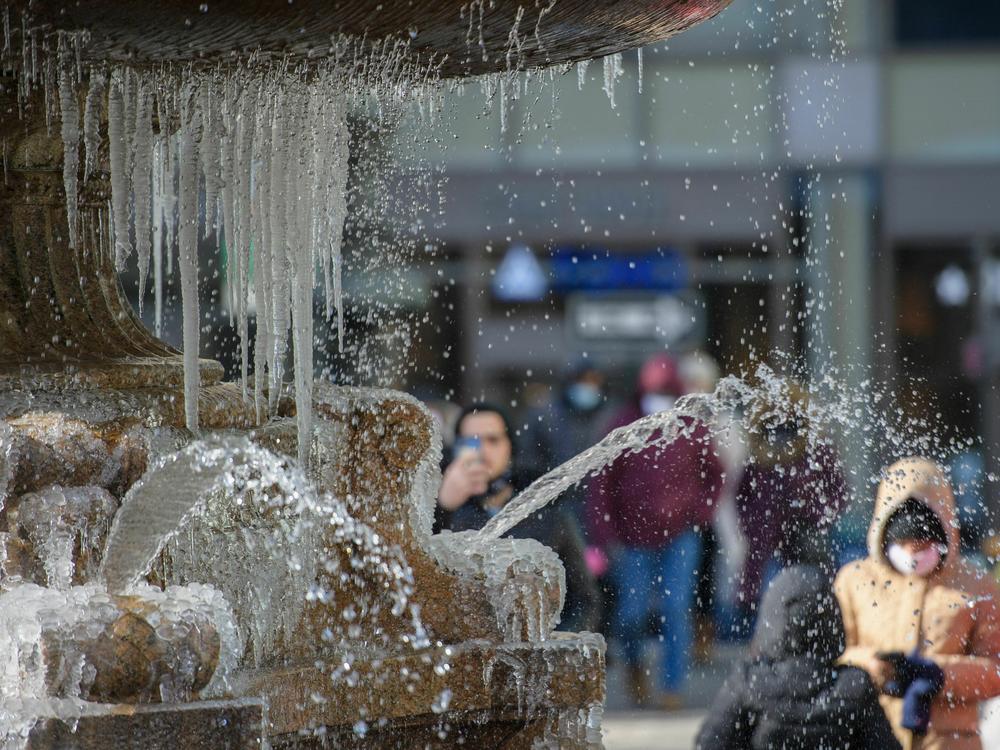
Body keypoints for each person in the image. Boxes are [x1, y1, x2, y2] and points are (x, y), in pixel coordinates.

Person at [586, 353, 725, 709]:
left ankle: (671, 685)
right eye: (654, 390)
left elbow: (715, 472)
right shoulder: (622, 423)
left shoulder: (690, 425)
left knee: (676, 608)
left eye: (665, 390)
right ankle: (633, 664)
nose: (659, 396)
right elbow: (601, 482)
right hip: (632, 536)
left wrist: (701, 512)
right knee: (630, 614)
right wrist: (603, 531)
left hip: (680, 532)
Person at [835, 457, 1000, 750]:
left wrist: (938, 674)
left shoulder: (977, 586)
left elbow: (995, 671)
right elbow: (833, 655)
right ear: (883, 531)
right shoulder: (854, 581)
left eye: (924, 545)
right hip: (874, 736)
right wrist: (871, 667)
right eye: (904, 543)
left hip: (949, 742)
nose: (913, 554)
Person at [696, 565, 901, 750]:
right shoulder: (855, 684)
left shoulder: (750, 682)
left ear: (771, 619)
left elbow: (711, 742)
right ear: (832, 619)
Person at [436, 403, 600, 633]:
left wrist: (554, 646)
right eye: (470, 442)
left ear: (510, 447)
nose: (482, 451)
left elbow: (585, 600)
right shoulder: (441, 510)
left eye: (492, 440)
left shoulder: (547, 512)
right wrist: (443, 507)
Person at [735, 378, 846, 632]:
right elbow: (741, 495)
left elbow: (839, 491)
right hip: (767, 541)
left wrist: (819, 514)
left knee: (808, 598)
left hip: (806, 538)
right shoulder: (758, 453)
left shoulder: (818, 450)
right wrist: (752, 523)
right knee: (767, 601)